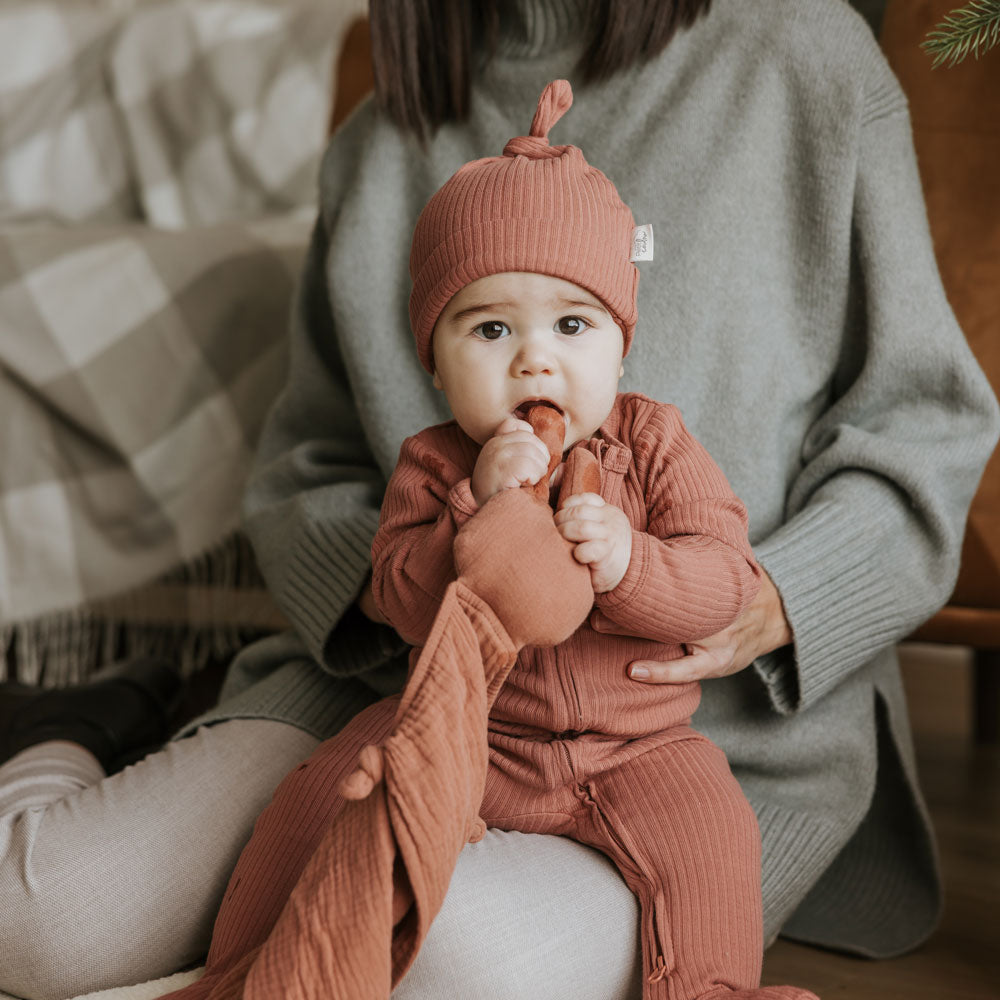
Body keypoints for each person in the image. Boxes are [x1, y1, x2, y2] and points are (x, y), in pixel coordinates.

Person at [0, 2, 997, 998]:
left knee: (438, 957)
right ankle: (82, 719)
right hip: (382, 699)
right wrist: (435, 584)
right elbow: (306, 461)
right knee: (36, 926)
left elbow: (928, 422)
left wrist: (775, 594)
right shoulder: (379, 133)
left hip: (687, 742)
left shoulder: (799, 53)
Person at [161, 78, 817, 1000]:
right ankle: (250, 967)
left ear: (620, 349)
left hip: (640, 750)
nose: (534, 357)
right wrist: (476, 506)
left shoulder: (655, 443)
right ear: (434, 362)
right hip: (479, 737)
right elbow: (397, 596)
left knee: (715, 839)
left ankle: (707, 990)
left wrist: (631, 564)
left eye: (573, 324)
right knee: (329, 787)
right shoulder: (435, 464)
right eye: (492, 327)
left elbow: (722, 580)